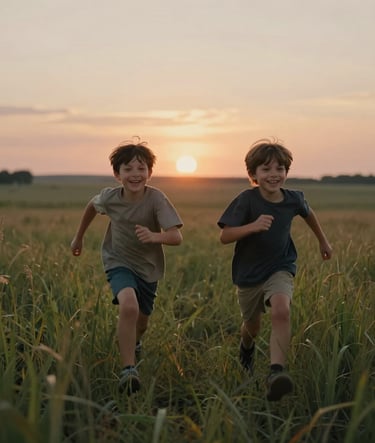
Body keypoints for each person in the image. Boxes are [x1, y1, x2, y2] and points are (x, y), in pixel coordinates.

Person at [217, 138, 332, 401]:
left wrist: (323, 240)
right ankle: (246, 349)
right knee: (252, 326)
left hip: (280, 266)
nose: (274, 174)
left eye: (280, 169)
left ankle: (275, 372)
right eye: (266, 169)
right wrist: (253, 226)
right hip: (248, 274)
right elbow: (225, 236)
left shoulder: (293, 198)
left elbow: (308, 213)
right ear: (253, 174)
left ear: (286, 172)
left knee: (281, 309)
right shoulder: (246, 200)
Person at [71, 138, 183, 395]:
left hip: (148, 267)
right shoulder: (110, 197)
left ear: (150, 173)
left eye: (141, 168)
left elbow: (176, 237)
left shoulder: (156, 199)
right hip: (117, 261)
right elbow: (92, 205)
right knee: (128, 305)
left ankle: (136, 342)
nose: (135, 174)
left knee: (141, 321)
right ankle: (128, 370)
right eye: (128, 169)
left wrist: (155, 237)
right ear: (117, 174)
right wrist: (79, 237)